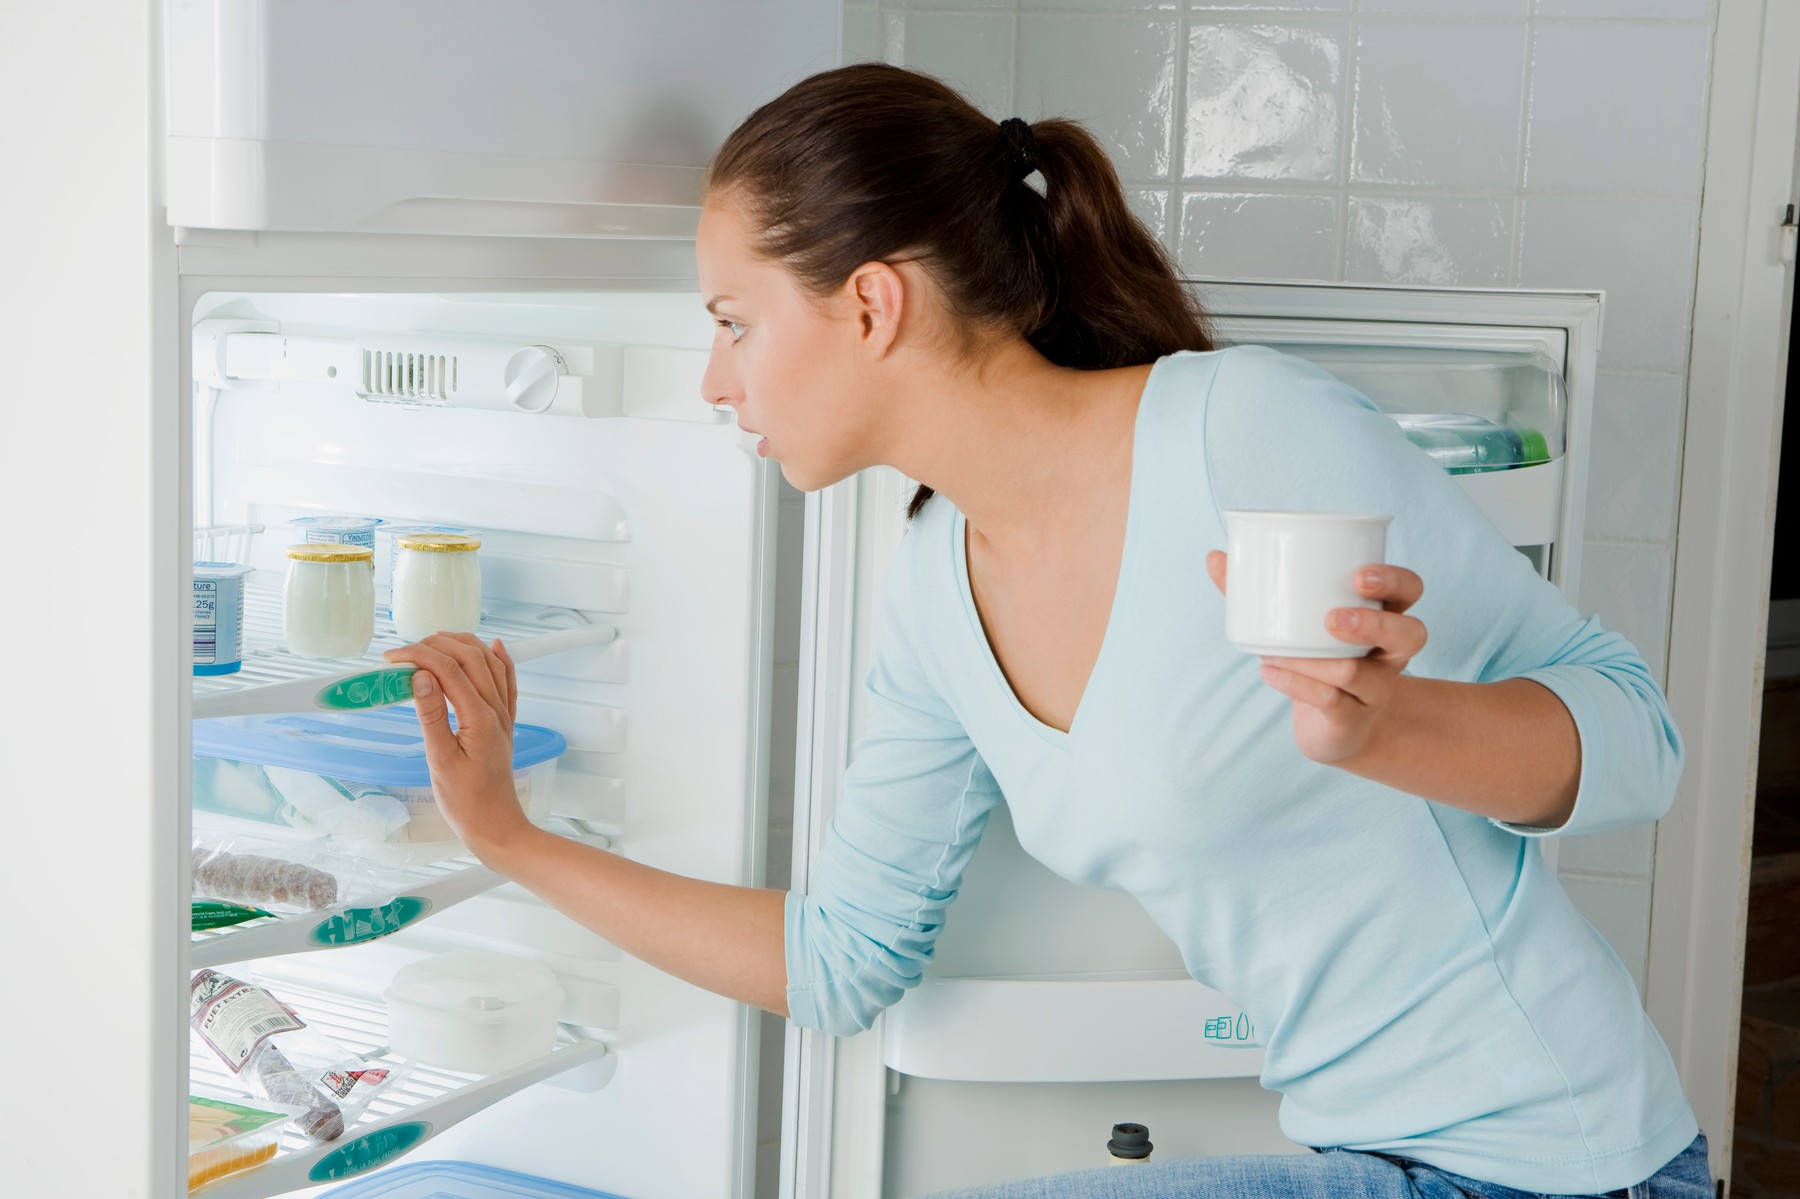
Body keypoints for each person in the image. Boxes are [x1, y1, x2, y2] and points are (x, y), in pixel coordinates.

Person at [382, 63, 1712, 1198]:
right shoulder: (930, 594)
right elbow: (839, 960)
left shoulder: (1238, 430)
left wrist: (1402, 727)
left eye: (735, 324)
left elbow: (1637, 734)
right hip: (1363, 1155)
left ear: (870, 302)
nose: (716, 378)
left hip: (1562, 1165)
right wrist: (508, 836)